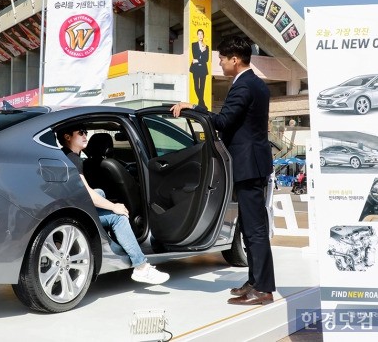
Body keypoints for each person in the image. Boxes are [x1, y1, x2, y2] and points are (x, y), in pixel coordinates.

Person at [170, 36, 275, 306]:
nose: (220, 63)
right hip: (254, 163)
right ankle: (255, 281)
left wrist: (194, 109)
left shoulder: (243, 86)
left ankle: (263, 289)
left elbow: (224, 122)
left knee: (254, 230)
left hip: (247, 165)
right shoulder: (257, 84)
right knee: (251, 228)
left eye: (222, 59)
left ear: (234, 60)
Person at [56, 124, 170, 285]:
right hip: (76, 213)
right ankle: (141, 267)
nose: (85, 136)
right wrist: (113, 206)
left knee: (101, 193)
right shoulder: (74, 159)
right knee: (118, 216)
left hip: (67, 209)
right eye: (80, 132)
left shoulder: (65, 156)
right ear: (67, 137)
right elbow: (87, 193)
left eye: (86, 132)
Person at [190, 29, 209, 108]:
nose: (200, 36)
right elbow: (195, 54)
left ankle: (201, 104)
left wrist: (197, 60)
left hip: (203, 69)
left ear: (203, 35)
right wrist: (201, 51)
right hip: (195, 68)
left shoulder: (206, 47)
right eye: (199, 34)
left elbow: (206, 59)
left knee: (202, 87)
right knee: (196, 86)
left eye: (202, 34)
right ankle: (202, 103)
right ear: (197, 36)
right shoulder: (194, 45)